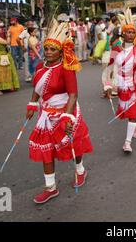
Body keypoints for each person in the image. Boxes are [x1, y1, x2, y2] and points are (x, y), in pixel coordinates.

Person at [26, 20, 93, 204]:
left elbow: (73, 95)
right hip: (46, 114)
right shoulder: (41, 67)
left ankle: (80, 170)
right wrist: (32, 104)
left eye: (52, 49)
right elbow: (37, 88)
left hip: (66, 111)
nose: (48, 52)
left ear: (61, 51)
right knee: (46, 148)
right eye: (46, 48)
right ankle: (51, 188)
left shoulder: (66, 68)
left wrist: (67, 117)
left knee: (73, 145)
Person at [104, 9, 136, 153]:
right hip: (120, 85)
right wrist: (107, 86)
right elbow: (109, 68)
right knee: (127, 112)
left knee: (132, 113)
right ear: (123, 34)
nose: (130, 34)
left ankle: (127, 142)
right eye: (127, 32)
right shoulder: (116, 48)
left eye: (133, 32)